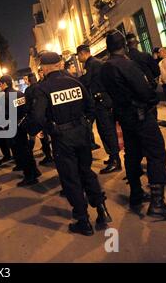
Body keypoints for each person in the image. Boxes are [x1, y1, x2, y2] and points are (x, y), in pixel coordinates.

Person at [100, 29, 166, 220]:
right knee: (156, 154)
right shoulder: (126, 65)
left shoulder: (105, 67)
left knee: (132, 154)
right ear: (124, 46)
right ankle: (158, 204)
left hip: (124, 117)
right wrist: (152, 98)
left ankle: (136, 193)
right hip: (140, 116)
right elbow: (144, 91)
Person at [30, 52, 112, 236]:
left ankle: (83, 221)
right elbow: (90, 108)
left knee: (71, 178)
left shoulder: (43, 88)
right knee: (86, 171)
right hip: (81, 134)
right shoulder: (75, 82)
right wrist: (85, 125)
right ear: (59, 64)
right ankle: (101, 209)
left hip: (62, 138)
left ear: (43, 68)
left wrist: (48, 129)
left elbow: (37, 117)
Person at [77, 44, 122, 174]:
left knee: (108, 131)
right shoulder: (93, 63)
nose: (79, 58)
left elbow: (85, 81)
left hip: (102, 102)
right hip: (99, 102)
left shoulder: (92, 64)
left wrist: (73, 81)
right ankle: (113, 157)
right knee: (104, 131)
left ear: (82, 53)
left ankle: (115, 160)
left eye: (79, 56)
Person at [0, 75, 41, 187]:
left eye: (0, 84)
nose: (0, 86)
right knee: (26, 149)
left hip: (13, 126)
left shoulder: (4, 97)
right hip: (22, 123)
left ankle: (29, 177)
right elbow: (26, 108)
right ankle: (34, 171)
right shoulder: (20, 94)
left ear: (5, 84)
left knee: (21, 152)